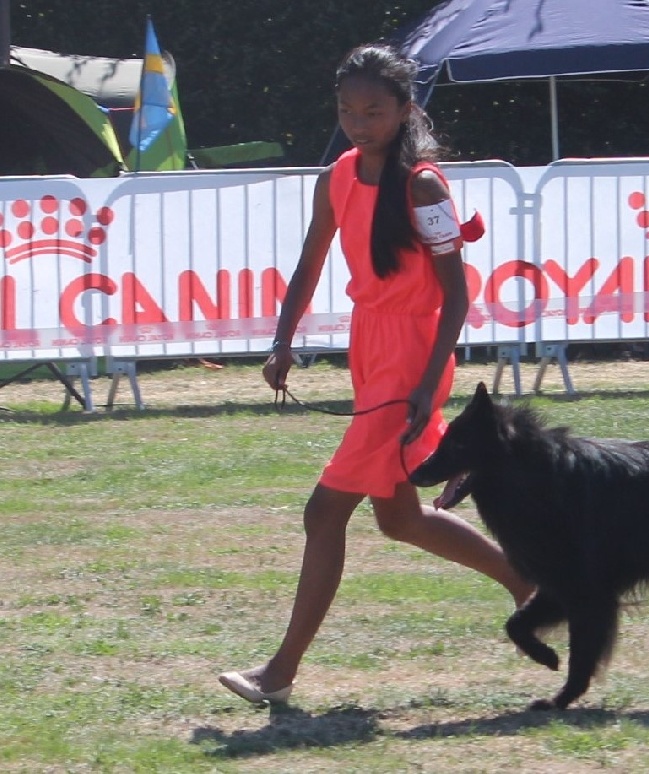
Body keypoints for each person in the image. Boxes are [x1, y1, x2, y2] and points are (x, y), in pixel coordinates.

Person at [218, 43, 532, 705]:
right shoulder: (337, 174)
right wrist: (282, 340)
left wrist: (424, 384)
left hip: (412, 354)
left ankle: (277, 674)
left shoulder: (423, 184)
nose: (360, 122)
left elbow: (457, 295)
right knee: (400, 520)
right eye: (347, 110)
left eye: (374, 111)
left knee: (323, 510)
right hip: (371, 347)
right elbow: (310, 260)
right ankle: (533, 585)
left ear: (404, 109)